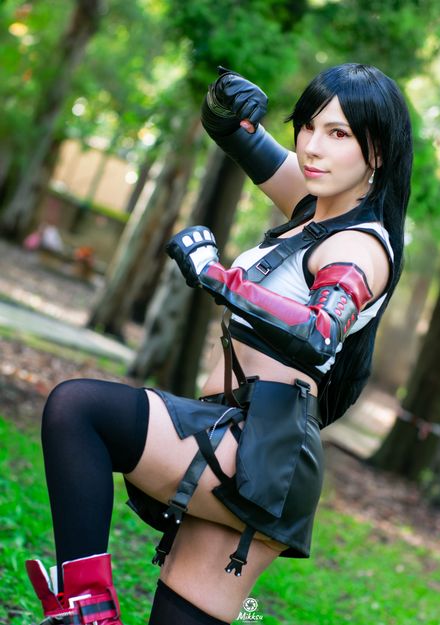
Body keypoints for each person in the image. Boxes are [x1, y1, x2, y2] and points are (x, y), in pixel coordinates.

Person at [25, 63, 413, 625]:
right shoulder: (314, 207)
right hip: (250, 447)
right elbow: (233, 131)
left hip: (263, 447)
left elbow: (319, 330)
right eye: (308, 126)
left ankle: (84, 612)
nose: (312, 146)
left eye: (338, 133)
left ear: (375, 151)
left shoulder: (360, 247)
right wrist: (224, 101)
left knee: (79, 409)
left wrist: (216, 275)